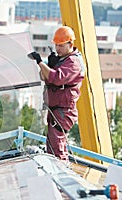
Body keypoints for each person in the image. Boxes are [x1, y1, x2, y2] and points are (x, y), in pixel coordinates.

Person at [28, 26, 85, 161]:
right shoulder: (62, 59)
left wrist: (40, 62)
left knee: (57, 147)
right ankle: (56, 172)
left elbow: (57, 78)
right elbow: (44, 77)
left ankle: (61, 174)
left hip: (63, 111)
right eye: (56, 46)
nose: (57, 49)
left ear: (70, 44)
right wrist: (49, 65)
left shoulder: (74, 62)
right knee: (52, 145)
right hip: (55, 109)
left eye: (60, 46)